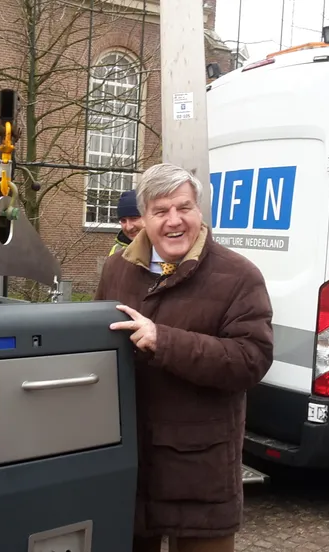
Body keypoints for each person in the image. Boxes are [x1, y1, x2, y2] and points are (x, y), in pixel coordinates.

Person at [95, 163, 274, 552]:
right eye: (161, 211)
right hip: (129, 462)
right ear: (143, 218)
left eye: (184, 208)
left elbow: (251, 360)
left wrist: (164, 341)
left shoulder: (239, 276)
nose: (174, 221)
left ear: (199, 211)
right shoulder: (117, 268)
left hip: (198, 468)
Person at [109, 189, 145, 255]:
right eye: (123, 220)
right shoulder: (117, 251)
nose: (128, 227)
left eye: (134, 218)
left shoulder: (164, 248)